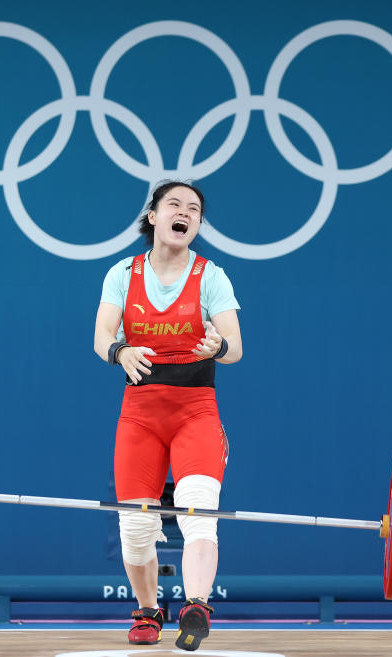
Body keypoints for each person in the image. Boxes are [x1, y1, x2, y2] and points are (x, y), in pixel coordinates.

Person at [93, 181, 242, 651]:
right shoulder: (122, 274)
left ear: (197, 224)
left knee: (200, 511)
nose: (185, 213)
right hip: (139, 415)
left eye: (194, 209)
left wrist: (218, 345)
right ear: (154, 216)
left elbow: (235, 348)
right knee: (135, 525)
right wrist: (120, 350)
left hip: (196, 412)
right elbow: (100, 336)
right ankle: (148, 610)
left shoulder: (212, 277)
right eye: (174, 205)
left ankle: (196, 605)